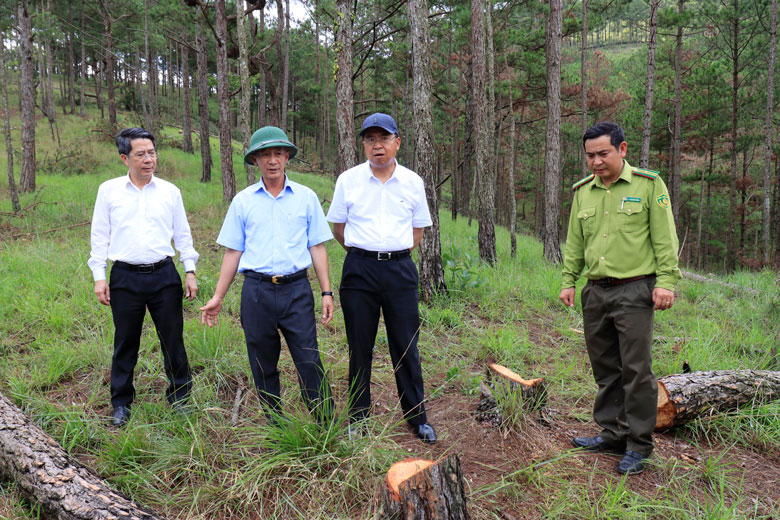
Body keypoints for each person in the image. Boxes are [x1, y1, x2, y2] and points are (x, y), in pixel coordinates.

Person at [560, 121, 681, 474]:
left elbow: (664, 238)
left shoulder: (648, 186)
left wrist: (667, 282)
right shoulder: (584, 191)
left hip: (634, 290)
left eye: (603, 153)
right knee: (605, 368)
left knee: (636, 370)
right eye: (590, 156)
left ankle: (639, 444)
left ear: (622, 149)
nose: (596, 162)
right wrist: (569, 280)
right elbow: (575, 242)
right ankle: (613, 433)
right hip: (595, 292)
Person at [200, 126, 334, 423]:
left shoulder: (306, 197)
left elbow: (317, 247)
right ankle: (275, 423)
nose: (272, 160)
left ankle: (325, 421)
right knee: (262, 361)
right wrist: (218, 297)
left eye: (277, 153)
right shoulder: (243, 201)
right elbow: (233, 252)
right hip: (256, 292)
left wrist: (326, 292)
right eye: (265, 155)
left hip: (297, 290)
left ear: (287, 157)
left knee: (308, 358)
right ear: (255, 160)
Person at [327, 113, 436, 444]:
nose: (377, 145)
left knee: (405, 344)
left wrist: (391, 254)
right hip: (359, 270)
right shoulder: (348, 180)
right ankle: (358, 417)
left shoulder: (413, 182)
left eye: (384, 138)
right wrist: (367, 253)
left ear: (397, 142)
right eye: (370, 139)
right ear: (363, 144)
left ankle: (417, 417)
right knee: (360, 346)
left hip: (400, 271)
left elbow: (417, 232)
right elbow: (338, 228)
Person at [88, 127, 199, 428]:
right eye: (141, 154)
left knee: (173, 340)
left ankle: (180, 398)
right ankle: (121, 403)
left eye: (151, 152)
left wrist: (189, 270)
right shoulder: (108, 191)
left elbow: (183, 234)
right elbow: (99, 236)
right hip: (125, 277)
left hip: (164, 275)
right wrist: (100, 277)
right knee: (125, 342)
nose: (148, 159)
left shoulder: (169, 191)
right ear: (125, 158)